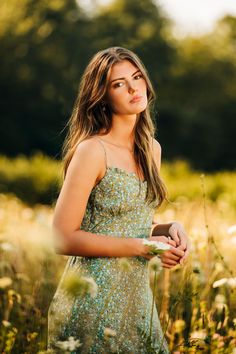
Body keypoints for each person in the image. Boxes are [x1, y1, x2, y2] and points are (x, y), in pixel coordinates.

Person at [47, 46, 191, 353]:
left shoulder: (153, 149)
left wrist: (166, 230)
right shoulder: (92, 151)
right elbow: (61, 237)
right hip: (91, 302)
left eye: (136, 77)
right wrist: (145, 248)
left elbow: (126, 224)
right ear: (102, 96)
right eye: (118, 84)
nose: (133, 88)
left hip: (136, 301)